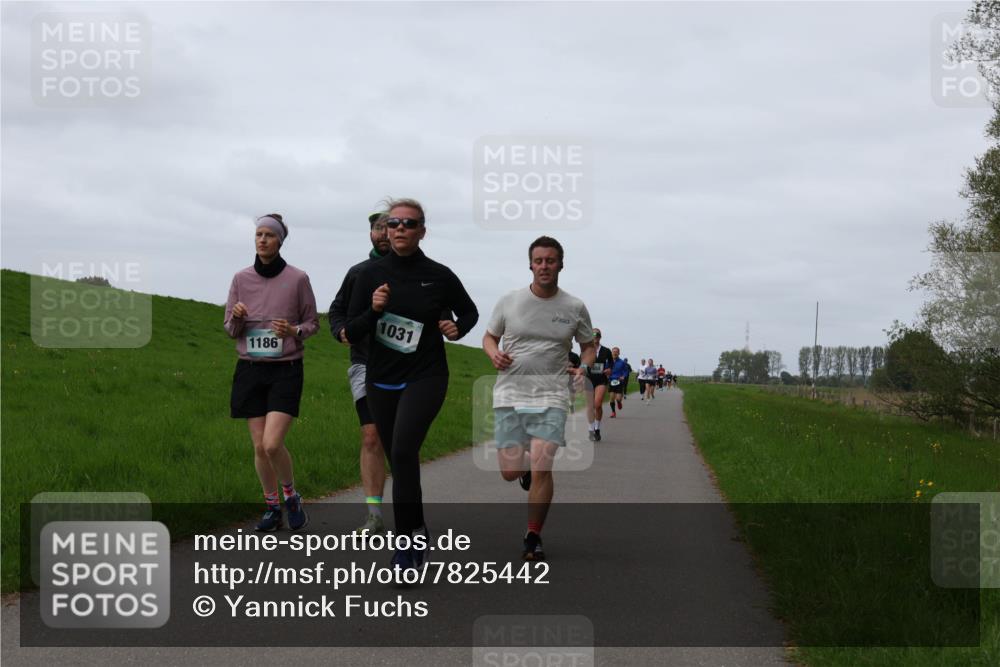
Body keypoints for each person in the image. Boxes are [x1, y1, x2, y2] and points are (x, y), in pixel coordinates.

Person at [344, 197, 478, 572]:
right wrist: (372, 310)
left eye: (409, 223)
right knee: (398, 459)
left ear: (422, 231)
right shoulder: (368, 275)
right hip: (381, 378)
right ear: (386, 231)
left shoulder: (438, 275)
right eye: (394, 223)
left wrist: (457, 327)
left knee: (403, 451)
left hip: (426, 375)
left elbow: (468, 311)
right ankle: (417, 528)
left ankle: (407, 545)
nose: (401, 228)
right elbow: (349, 328)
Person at [483, 236, 595, 561]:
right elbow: (489, 336)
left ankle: (533, 535)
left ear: (561, 264)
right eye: (539, 261)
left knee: (543, 463)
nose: (544, 266)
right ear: (530, 264)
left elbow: (588, 345)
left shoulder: (574, 307)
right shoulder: (510, 301)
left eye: (550, 260)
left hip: (552, 394)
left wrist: (583, 368)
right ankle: (526, 472)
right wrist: (493, 353)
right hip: (509, 393)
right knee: (510, 471)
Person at [225, 214, 319, 532]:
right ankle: (271, 507)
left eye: (268, 235)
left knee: (271, 444)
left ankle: (291, 496)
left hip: (286, 369)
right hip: (250, 369)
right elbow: (229, 328)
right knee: (257, 447)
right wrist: (237, 317)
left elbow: (312, 324)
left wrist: (293, 330)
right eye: (258, 234)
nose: (262, 240)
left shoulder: (298, 279)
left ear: (280, 241)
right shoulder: (241, 279)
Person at [328, 211, 391, 534]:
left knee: (399, 440)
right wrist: (340, 331)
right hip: (365, 363)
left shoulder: (416, 272)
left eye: (389, 227)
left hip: (406, 367)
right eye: (377, 228)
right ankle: (374, 514)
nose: (382, 233)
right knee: (370, 435)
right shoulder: (358, 273)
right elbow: (337, 310)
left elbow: (441, 310)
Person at [585, 329, 613, 441]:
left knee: (597, 404)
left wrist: (609, 369)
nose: (595, 336)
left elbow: (611, 363)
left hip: (601, 379)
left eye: (597, 335)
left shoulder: (606, 350)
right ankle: (591, 429)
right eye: (592, 335)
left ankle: (597, 429)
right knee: (590, 407)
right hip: (588, 379)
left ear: (600, 337)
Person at [608, 347, 628, 418]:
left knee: (618, 398)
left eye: (616, 352)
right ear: (611, 353)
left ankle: (619, 402)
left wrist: (623, 376)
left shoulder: (622, 362)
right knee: (611, 398)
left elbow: (626, 371)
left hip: (619, 381)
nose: (615, 353)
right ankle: (613, 412)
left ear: (619, 353)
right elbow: (606, 370)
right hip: (611, 381)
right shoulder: (608, 362)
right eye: (613, 351)